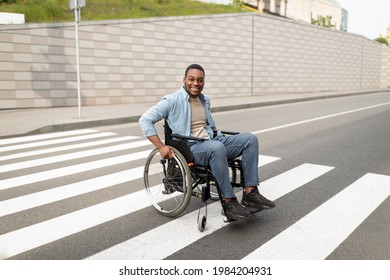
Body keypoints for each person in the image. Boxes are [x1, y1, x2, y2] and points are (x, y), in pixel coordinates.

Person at [139, 64, 275, 219]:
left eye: (200, 80)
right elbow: (145, 120)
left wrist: (215, 132)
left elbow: (208, 124)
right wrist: (161, 147)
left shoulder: (205, 100)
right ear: (184, 80)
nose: (195, 83)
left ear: (203, 82)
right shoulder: (171, 101)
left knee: (250, 139)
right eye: (191, 79)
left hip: (212, 141)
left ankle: (250, 193)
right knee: (216, 148)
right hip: (191, 147)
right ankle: (229, 201)